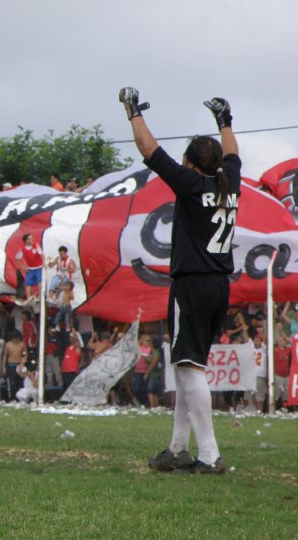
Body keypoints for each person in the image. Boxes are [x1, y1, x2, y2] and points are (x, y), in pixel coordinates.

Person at [120, 87, 240, 474]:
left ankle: (208, 454)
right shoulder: (230, 183)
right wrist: (225, 120)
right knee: (191, 368)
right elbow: (233, 154)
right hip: (220, 285)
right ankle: (177, 448)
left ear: (190, 164)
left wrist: (133, 111)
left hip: (191, 285)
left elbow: (148, 149)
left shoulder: (189, 185)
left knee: (188, 369)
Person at [14, 234, 43, 305]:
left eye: (32, 238)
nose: (32, 239)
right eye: (30, 238)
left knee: (40, 281)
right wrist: (23, 267)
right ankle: (29, 298)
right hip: (31, 269)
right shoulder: (22, 249)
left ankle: (40, 296)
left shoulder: (36, 245)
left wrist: (44, 263)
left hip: (39, 267)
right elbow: (17, 259)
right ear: (26, 241)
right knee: (27, 283)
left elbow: (41, 254)